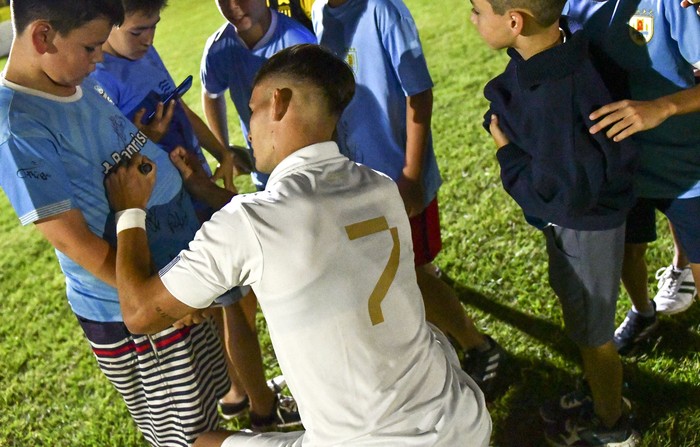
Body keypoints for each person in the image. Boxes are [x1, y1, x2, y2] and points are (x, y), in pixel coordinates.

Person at [103, 43, 492, 447]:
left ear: (279, 102)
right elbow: (292, 224)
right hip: (458, 416)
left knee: (200, 443)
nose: (248, 129)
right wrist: (202, 187)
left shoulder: (253, 222)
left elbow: (139, 313)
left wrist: (129, 209)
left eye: (251, 110)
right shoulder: (380, 187)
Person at [0, 1, 231, 446]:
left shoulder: (70, 77)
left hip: (174, 275)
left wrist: (155, 147)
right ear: (43, 37)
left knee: (206, 403)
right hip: (138, 306)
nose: (100, 58)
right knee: (185, 436)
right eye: (90, 47)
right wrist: (158, 300)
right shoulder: (18, 125)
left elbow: (108, 152)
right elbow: (75, 242)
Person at [89, 0, 301, 429]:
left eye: (154, 28)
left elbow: (180, 108)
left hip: (197, 188)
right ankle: (262, 409)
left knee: (235, 302)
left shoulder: (143, 52)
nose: (148, 39)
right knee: (232, 303)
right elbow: (110, 166)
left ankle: (239, 392)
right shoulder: (98, 78)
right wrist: (147, 139)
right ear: (108, 23)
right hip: (169, 214)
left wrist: (220, 151)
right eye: (137, 31)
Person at [312, 0, 505, 396]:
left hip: (398, 179)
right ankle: (443, 328)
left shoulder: (383, 9)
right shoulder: (320, 14)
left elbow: (418, 94)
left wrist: (412, 174)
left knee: (408, 272)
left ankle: (479, 346)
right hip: (359, 181)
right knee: (400, 268)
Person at [471, 0, 640, 444]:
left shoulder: (556, 94)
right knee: (585, 320)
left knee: (593, 334)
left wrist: (506, 150)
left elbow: (558, 193)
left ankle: (612, 425)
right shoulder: (567, 51)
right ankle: (604, 397)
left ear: (513, 21)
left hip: (584, 226)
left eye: (475, 11)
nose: (471, 20)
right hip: (586, 221)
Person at [562, 0, 700, 357]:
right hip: (619, 166)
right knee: (626, 252)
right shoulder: (562, 6)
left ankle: (681, 267)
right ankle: (643, 312)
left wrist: (663, 106)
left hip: (685, 164)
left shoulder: (669, 3)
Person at [201, 0, 315, 191]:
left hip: (306, 168)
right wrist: (224, 151)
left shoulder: (300, 43)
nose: (233, 5)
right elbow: (211, 94)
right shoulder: (218, 48)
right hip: (265, 174)